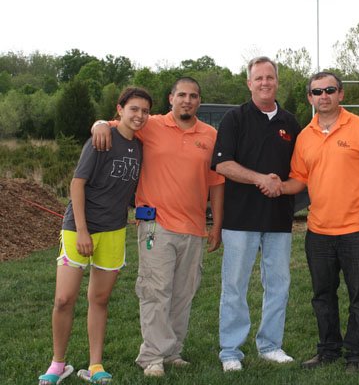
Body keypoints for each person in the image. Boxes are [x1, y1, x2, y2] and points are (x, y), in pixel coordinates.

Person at [91, 77, 224, 378]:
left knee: (183, 293)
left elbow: (216, 183)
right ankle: (151, 356)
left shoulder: (211, 135)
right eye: (181, 95)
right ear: (171, 98)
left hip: (194, 227)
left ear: (199, 101)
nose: (187, 100)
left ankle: (172, 351)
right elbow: (118, 123)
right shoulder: (151, 125)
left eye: (193, 96)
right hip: (156, 225)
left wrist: (217, 224)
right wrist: (100, 122)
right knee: (155, 289)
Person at [39, 87, 152, 385]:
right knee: (64, 299)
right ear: (120, 110)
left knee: (99, 299)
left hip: (114, 231)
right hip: (80, 229)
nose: (139, 115)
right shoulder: (100, 140)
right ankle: (58, 364)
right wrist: (83, 231)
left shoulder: (140, 147)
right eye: (134, 109)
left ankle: (95, 365)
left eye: (144, 111)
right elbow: (77, 185)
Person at [280, 71, 359, 373]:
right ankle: (328, 350)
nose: (323, 96)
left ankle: (357, 355)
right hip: (319, 232)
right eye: (317, 92)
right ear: (310, 98)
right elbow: (298, 180)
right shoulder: (305, 136)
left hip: (357, 229)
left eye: (329, 90)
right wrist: (275, 184)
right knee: (322, 296)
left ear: (341, 94)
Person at [211, 56, 301, 372]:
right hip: (240, 219)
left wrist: (281, 186)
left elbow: (300, 172)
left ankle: (270, 345)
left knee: (278, 284)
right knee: (234, 285)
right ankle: (230, 351)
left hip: (278, 218)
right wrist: (260, 178)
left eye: (270, 77)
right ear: (249, 83)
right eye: (258, 78)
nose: (265, 83)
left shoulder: (290, 123)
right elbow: (222, 164)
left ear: (277, 82)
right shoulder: (234, 119)